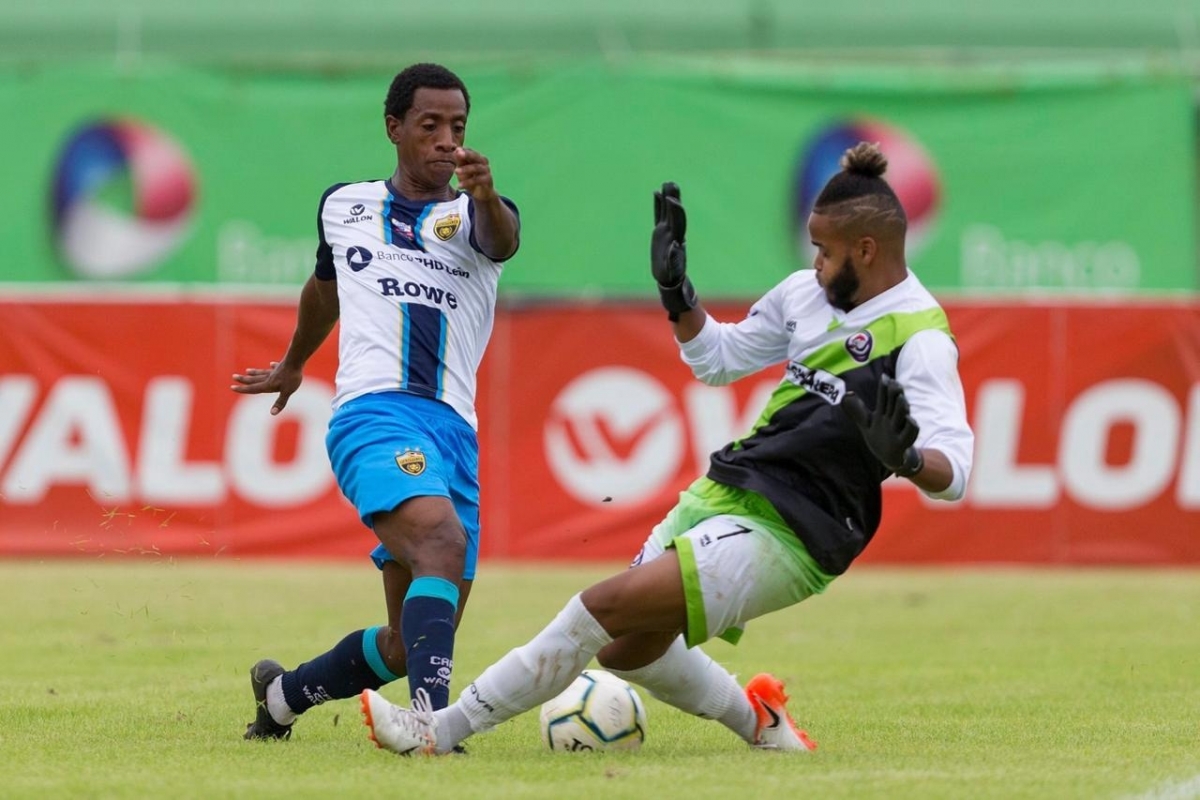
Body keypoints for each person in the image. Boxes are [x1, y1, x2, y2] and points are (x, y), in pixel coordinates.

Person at [359, 142, 972, 756]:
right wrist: (678, 292)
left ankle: (437, 731)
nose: (814, 264)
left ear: (866, 250)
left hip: (799, 529)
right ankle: (761, 723)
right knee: (625, 649)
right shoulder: (802, 295)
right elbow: (718, 360)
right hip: (731, 487)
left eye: (825, 252)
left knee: (596, 608)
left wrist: (909, 459)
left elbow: (956, 474)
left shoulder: (920, 338)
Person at [233, 62, 520, 740]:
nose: (447, 140)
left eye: (458, 127)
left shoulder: (475, 215)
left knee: (407, 643)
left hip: (453, 432)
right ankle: (431, 730)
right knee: (440, 543)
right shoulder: (344, 205)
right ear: (394, 127)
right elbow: (325, 287)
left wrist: (485, 195)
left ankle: (281, 698)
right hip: (375, 414)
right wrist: (294, 363)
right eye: (430, 125)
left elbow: (502, 239)